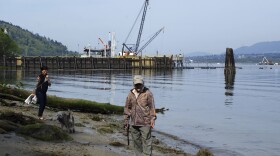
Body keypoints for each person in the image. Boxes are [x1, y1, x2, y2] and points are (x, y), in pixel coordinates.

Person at [124, 75, 157, 156]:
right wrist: (126, 120)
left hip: (145, 123)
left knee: (147, 143)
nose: (138, 86)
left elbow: (152, 107)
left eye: (140, 84)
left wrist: (153, 119)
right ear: (133, 84)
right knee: (136, 143)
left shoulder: (148, 93)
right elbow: (127, 108)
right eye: (136, 84)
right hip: (134, 123)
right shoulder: (130, 94)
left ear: (143, 84)